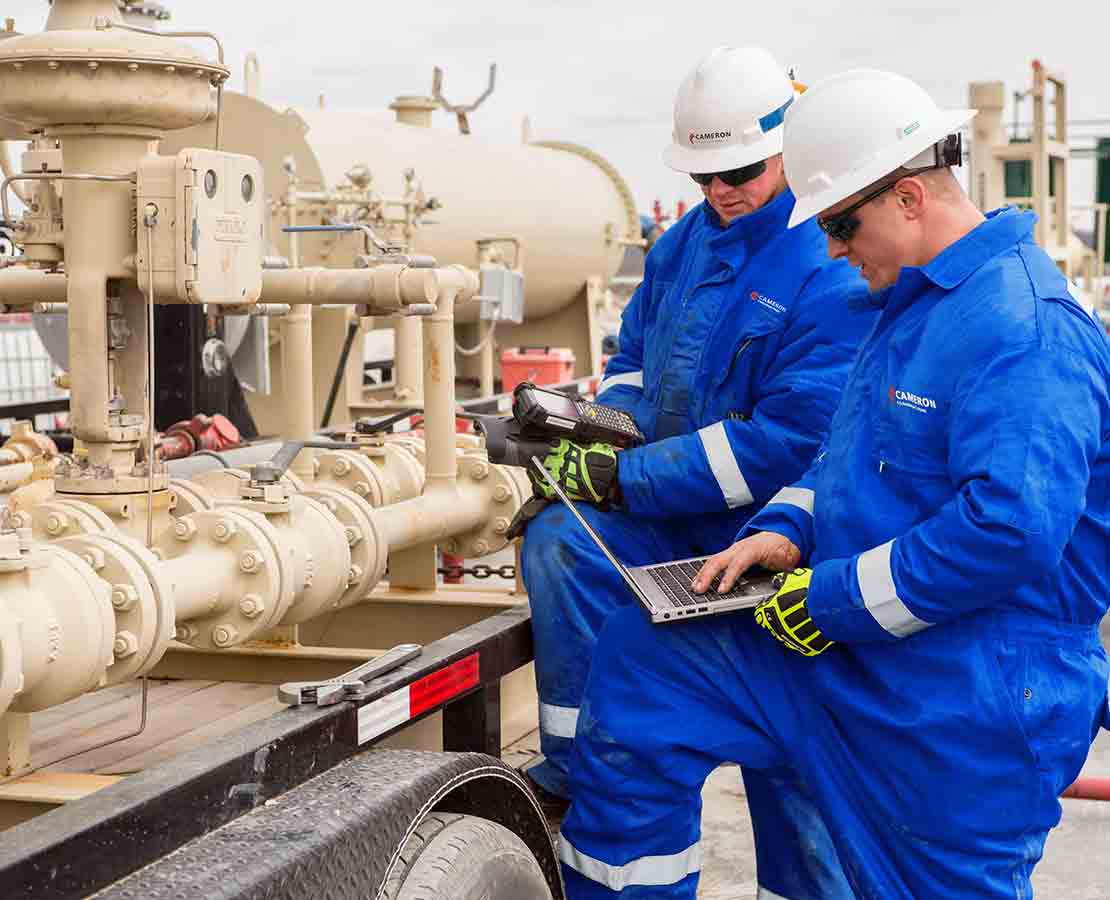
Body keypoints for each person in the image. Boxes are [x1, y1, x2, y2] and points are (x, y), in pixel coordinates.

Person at [556, 66, 1110, 899]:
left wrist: (831, 598)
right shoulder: (908, 307)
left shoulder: (1021, 328)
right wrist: (785, 534)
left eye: (843, 224)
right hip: (863, 652)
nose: (835, 251)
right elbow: (836, 461)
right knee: (649, 659)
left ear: (910, 198)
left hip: (972, 689)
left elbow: (1008, 530)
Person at [519, 47, 875, 899]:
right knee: (564, 539)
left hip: (774, 528)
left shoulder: (830, 263)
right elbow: (636, 360)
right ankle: (575, 765)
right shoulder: (683, 243)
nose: (721, 190)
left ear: (789, 145)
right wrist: (598, 434)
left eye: (740, 170)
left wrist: (627, 481)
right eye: (704, 172)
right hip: (673, 499)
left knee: (800, 772)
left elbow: (785, 442)